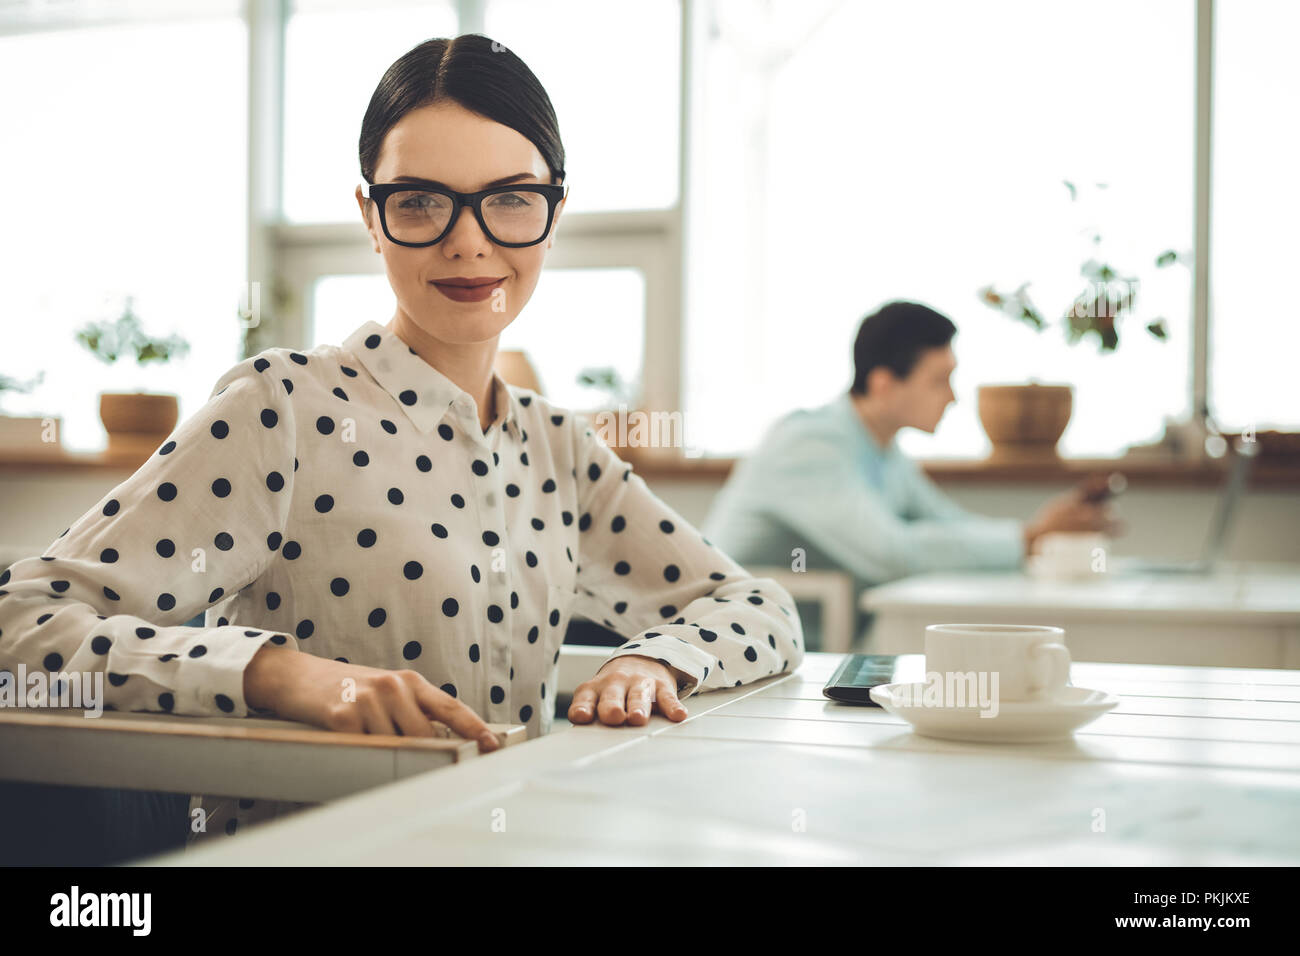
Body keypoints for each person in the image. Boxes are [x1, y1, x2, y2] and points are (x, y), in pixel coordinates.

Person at [0, 33, 803, 848]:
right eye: (419, 200)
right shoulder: (282, 407)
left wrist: (655, 661)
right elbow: (19, 629)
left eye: (512, 198)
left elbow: (759, 605)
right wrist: (278, 673)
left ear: (555, 214)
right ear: (370, 218)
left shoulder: (559, 446)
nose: (468, 240)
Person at [703, 300, 1122, 649]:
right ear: (884, 384)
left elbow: (948, 523)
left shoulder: (882, 450)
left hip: (808, 640)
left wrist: (1036, 532)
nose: (954, 397)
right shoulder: (809, 444)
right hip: (737, 642)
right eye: (940, 380)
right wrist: (1029, 538)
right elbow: (892, 554)